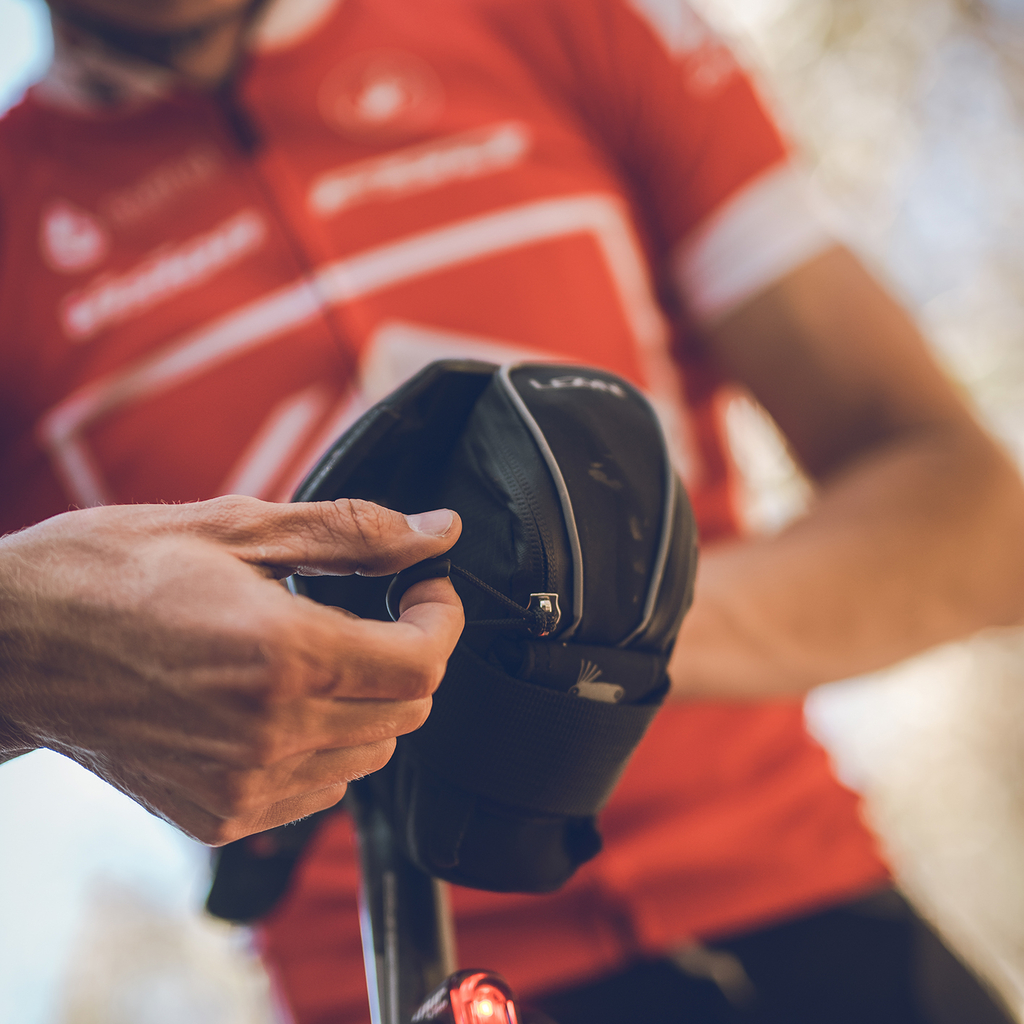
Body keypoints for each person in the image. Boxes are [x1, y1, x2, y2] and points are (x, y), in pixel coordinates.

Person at [1, 0, 1023, 1020]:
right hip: (393, 979)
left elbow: (977, 520)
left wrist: (595, 628)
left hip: (807, 898)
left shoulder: (560, 22)